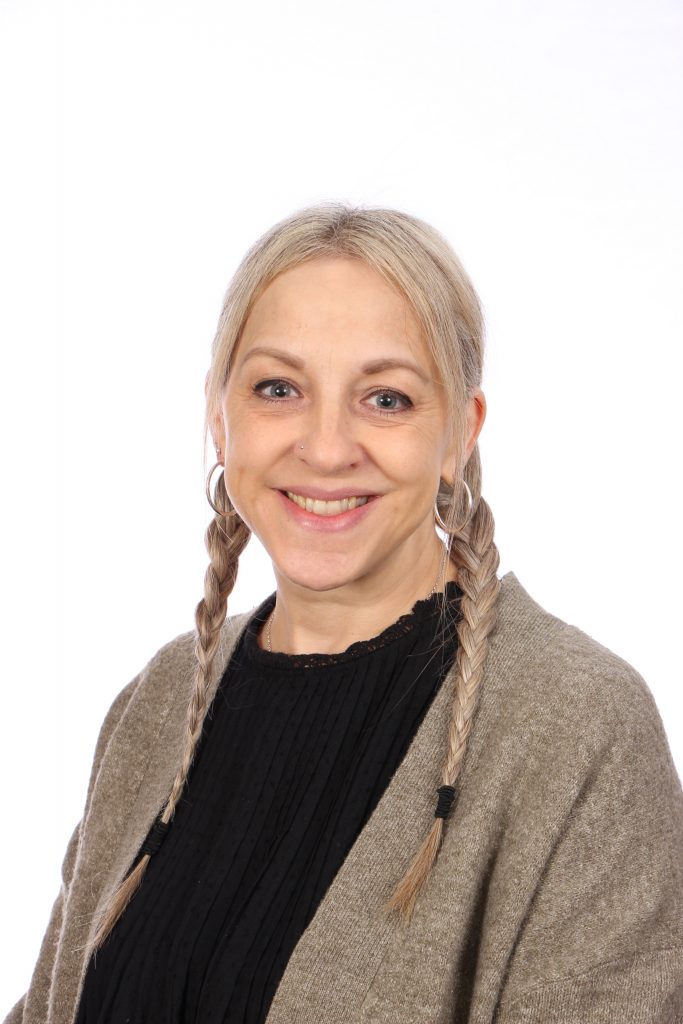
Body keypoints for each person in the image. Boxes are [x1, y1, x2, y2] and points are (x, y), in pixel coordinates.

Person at [4, 202, 683, 1024]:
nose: (326, 448)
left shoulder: (575, 723)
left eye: (386, 399)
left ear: (458, 434)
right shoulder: (162, 700)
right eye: (278, 389)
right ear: (219, 417)